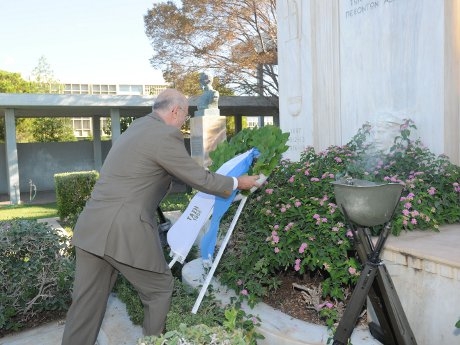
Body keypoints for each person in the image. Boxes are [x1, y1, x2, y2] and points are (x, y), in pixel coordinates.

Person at [61, 88, 260, 345]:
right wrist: (237, 182)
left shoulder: (137, 127)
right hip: (124, 227)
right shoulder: (165, 134)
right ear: (175, 110)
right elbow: (198, 177)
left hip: (92, 227)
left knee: (85, 305)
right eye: (185, 117)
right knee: (159, 290)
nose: (184, 124)